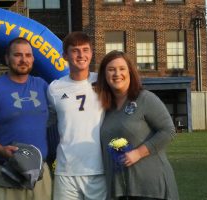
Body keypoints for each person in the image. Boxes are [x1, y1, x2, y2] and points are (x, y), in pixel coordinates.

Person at [0, 37, 52, 200]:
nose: (23, 60)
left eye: (28, 55)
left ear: (33, 59)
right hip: (2, 170)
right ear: (7, 58)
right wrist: (0, 149)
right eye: (18, 55)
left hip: (38, 174)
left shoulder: (42, 86)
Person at [95, 50, 179, 200]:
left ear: (130, 72)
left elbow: (168, 131)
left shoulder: (145, 98)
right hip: (121, 190)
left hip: (150, 188)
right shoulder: (106, 108)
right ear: (104, 75)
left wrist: (138, 153)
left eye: (122, 68)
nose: (117, 73)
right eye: (111, 69)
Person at [47, 31, 106, 200]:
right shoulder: (54, 88)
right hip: (66, 171)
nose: (81, 55)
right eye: (75, 50)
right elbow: (47, 121)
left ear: (91, 53)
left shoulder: (103, 82)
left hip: (98, 170)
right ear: (65, 55)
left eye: (85, 50)